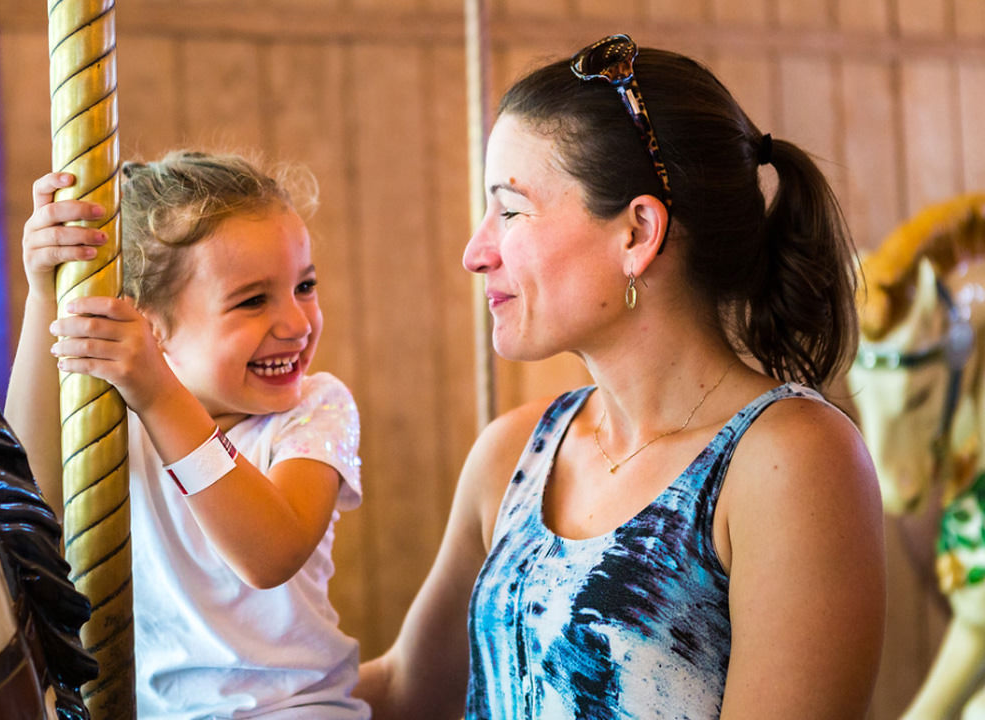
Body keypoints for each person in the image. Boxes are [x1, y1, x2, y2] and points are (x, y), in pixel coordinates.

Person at [355, 34, 885, 719]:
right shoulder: (512, 454)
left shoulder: (791, 460)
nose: (475, 252)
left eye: (510, 210)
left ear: (637, 232)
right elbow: (407, 691)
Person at [5, 151, 369, 719]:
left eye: (305, 285)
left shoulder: (315, 410)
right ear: (151, 327)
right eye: (253, 300)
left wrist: (158, 395)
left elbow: (270, 554)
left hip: (290, 709)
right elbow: (29, 499)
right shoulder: (115, 420)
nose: (297, 324)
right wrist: (45, 296)